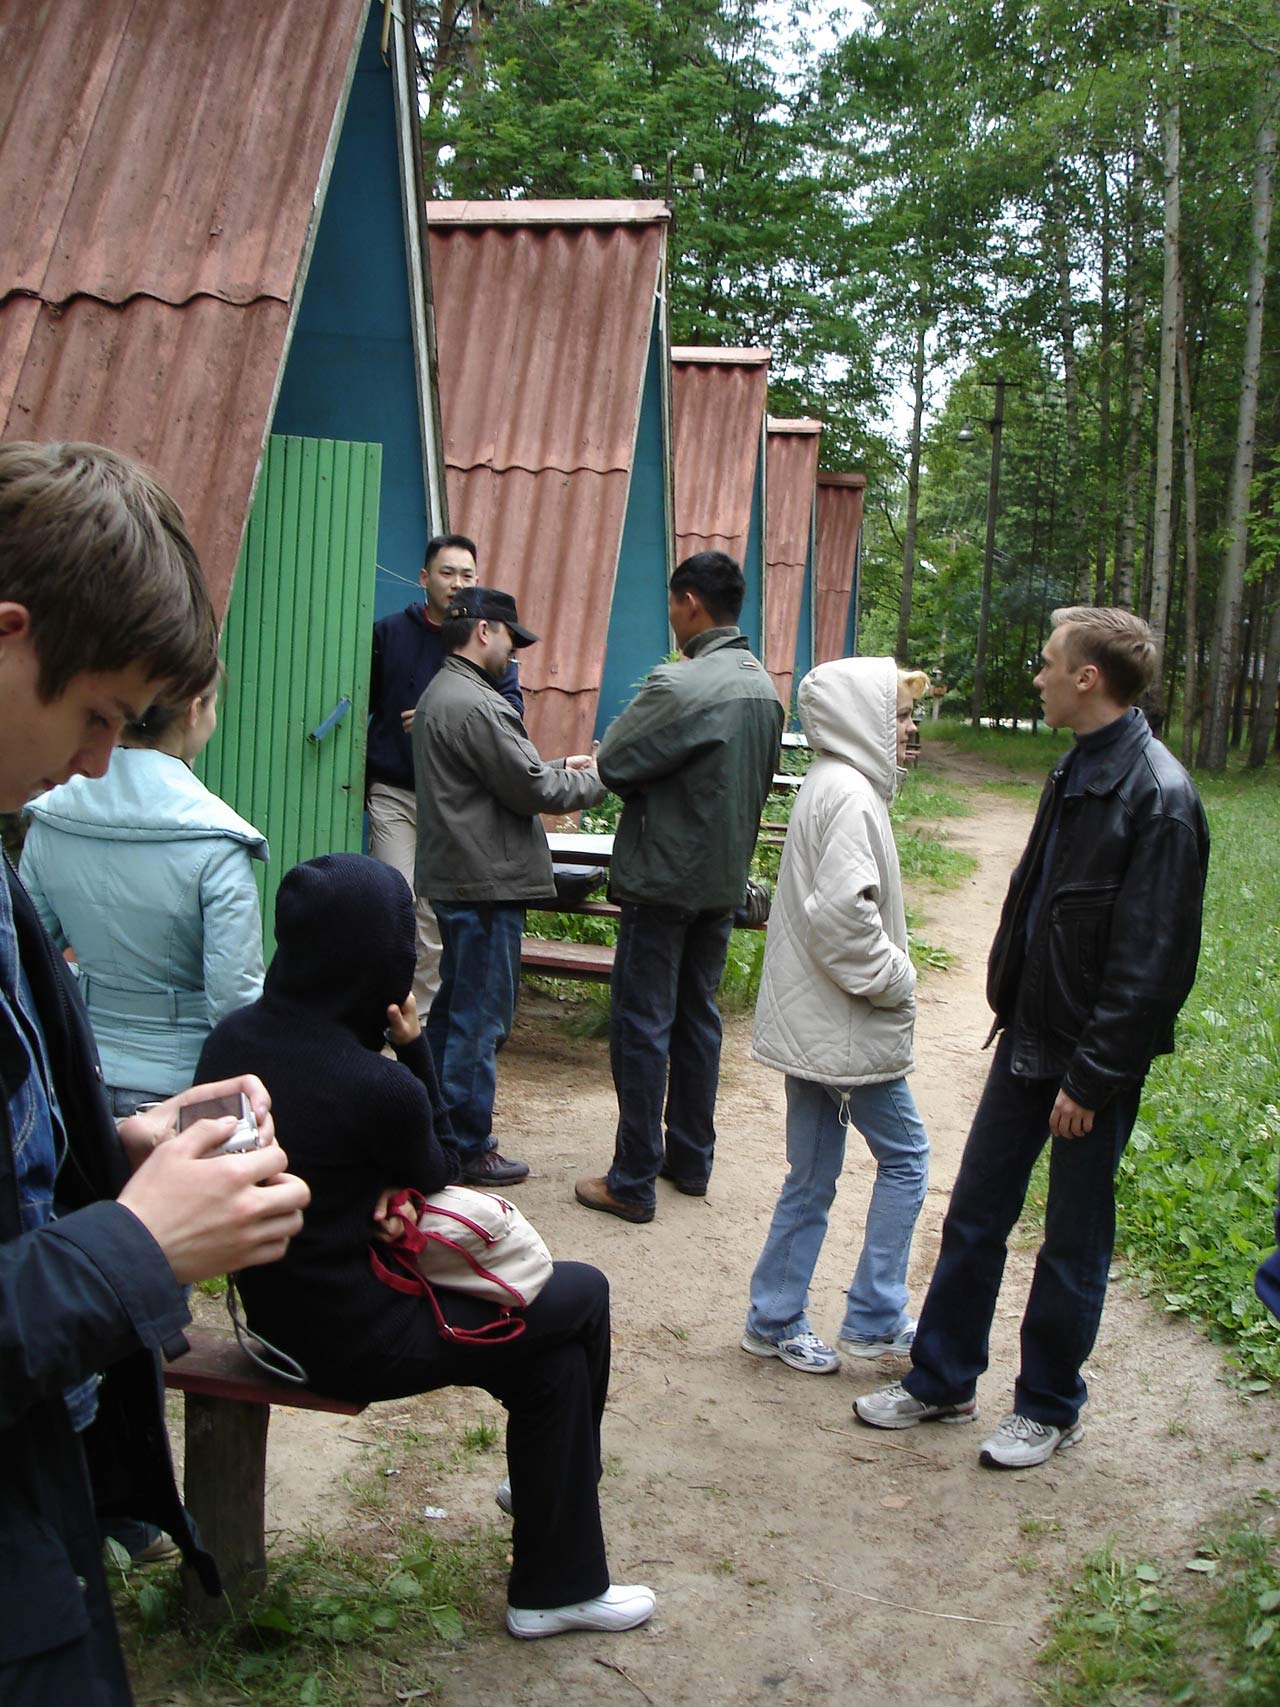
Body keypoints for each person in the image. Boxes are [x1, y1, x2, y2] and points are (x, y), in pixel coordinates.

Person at [0, 439, 310, 1704]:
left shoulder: (16, 834)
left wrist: (105, 1144)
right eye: (98, 715)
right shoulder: (205, 842)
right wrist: (133, 1246)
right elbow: (232, 994)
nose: (96, 760)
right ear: (10, 638)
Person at [197, 852, 656, 1639]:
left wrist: (373, 1189)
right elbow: (443, 1163)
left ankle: (558, 1575)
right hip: (355, 1338)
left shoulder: (232, 1042)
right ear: (383, 966)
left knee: (552, 1369)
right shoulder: (374, 1085)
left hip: (274, 1317)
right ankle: (564, 1514)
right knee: (583, 1294)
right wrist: (413, 1048)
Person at [857, 607, 1210, 1468]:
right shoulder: (1076, 763)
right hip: (1028, 1036)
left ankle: (1049, 1405)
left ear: (1088, 678)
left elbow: (1154, 966)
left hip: (1090, 1061)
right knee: (976, 1212)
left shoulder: (1159, 797)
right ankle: (942, 1379)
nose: (1039, 675)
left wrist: (1091, 1078)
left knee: (1072, 1236)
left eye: (1050, 662)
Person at [575, 551, 784, 1224]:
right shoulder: (764, 688)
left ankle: (632, 1179)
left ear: (690, 602)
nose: (670, 615)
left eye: (672, 603)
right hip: (722, 883)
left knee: (642, 1025)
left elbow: (613, 761)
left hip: (663, 879)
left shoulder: (680, 683)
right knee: (698, 1019)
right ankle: (690, 1161)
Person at [742, 659, 931, 1374]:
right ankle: (877, 1315)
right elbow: (844, 921)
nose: (910, 729)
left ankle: (773, 1317)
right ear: (865, 718)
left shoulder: (830, 782)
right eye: (901, 715)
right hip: (843, 1025)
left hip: (816, 1022)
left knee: (813, 1171)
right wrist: (897, 979)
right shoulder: (850, 794)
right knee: (907, 1158)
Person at [413, 587, 605, 1186]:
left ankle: (436, 1130)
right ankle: (468, 1145)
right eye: (510, 640)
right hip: (486, 885)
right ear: (484, 631)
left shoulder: (442, 693)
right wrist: (599, 778)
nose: (513, 654)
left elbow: (500, 778)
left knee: (452, 1011)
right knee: (481, 1019)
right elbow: (532, 790)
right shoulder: (479, 704)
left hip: (459, 877)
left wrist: (559, 767)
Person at [20, 663, 268, 1121]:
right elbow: (234, 1001)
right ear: (194, 710)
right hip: (179, 1089)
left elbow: (28, 957)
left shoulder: (51, 817)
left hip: (78, 1074)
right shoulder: (218, 840)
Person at [366, 535, 523, 1013]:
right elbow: (362, 702)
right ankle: (382, 1012)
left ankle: (423, 1024)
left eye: (467, 575)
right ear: (424, 578)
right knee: (394, 902)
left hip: (456, 801)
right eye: (447, 572)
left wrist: (442, 715)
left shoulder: (486, 638)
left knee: (434, 917)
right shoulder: (389, 633)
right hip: (395, 790)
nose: (457, 583)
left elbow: (512, 712)